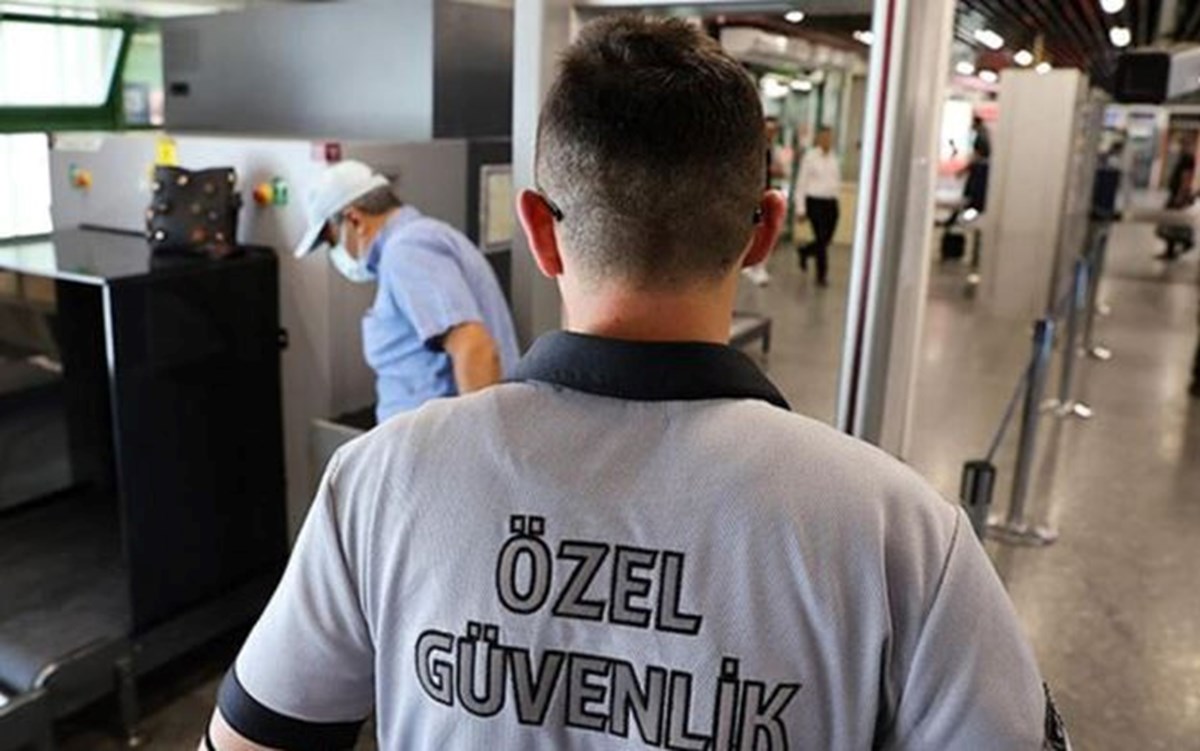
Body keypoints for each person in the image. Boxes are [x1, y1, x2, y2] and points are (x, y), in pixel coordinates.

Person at [202, 16, 1066, 751]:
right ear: (764, 230)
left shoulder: (379, 483)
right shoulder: (903, 537)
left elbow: (250, 740)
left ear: (538, 229)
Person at [294, 160, 519, 422]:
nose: (336, 253)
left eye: (332, 241)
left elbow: (474, 348)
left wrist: (482, 440)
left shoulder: (407, 250)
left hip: (438, 440)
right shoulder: (420, 239)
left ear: (354, 219)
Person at [742, 116, 785, 287]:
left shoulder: (775, 149)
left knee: (763, 227)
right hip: (754, 194)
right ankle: (751, 264)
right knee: (754, 227)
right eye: (768, 130)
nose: (770, 133)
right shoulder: (754, 148)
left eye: (773, 131)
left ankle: (758, 266)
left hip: (766, 192)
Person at [796, 126, 841, 287]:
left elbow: (835, 181)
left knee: (827, 239)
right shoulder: (810, 157)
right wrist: (800, 208)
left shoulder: (834, 158)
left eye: (829, 137)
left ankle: (805, 251)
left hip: (831, 203)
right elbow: (801, 183)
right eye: (824, 137)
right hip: (814, 202)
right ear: (818, 139)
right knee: (821, 240)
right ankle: (821, 275)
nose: (827, 140)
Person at [1155, 135, 1196, 261]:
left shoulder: (1187, 158)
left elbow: (1186, 177)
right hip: (1175, 193)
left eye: (1183, 144)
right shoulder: (1184, 157)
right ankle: (1173, 248)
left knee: (1171, 221)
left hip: (1178, 194)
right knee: (1174, 222)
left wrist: (1180, 195)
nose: (1180, 147)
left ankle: (1184, 243)